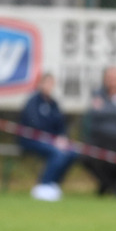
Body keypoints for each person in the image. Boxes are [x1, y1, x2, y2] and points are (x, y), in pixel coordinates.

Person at [18, 72, 78, 201]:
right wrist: (53, 140)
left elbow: (61, 125)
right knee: (57, 153)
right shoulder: (33, 102)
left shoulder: (53, 103)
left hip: (52, 141)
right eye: (46, 83)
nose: (49, 86)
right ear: (40, 84)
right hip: (32, 140)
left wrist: (62, 137)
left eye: (51, 83)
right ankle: (43, 185)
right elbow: (35, 125)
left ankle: (53, 183)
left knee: (73, 152)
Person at [81, 66, 116, 196]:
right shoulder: (97, 94)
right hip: (98, 138)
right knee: (85, 158)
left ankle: (109, 184)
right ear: (104, 79)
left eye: (115, 78)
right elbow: (95, 114)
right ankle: (108, 184)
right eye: (109, 78)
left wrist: (106, 109)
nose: (112, 81)